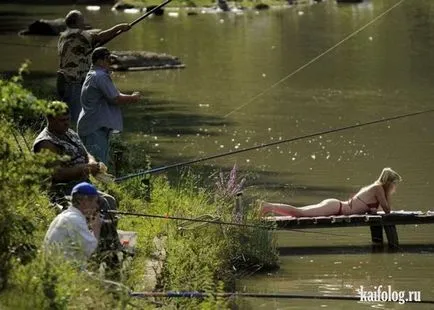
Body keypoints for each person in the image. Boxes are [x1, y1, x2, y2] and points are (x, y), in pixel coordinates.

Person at [33, 102, 121, 253]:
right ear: (51, 120)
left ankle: (107, 244)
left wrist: (92, 163)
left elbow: (85, 153)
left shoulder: (69, 133)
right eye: (62, 120)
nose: (67, 123)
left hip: (82, 186)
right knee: (103, 203)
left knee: (111, 200)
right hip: (62, 191)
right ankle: (102, 250)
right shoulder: (46, 143)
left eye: (68, 119)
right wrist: (84, 168)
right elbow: (57, 174)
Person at [57, 10, 131, 123]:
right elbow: (100, 37)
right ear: (77, 22)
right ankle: (76, 139)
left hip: (62, 80)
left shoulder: (63, 36)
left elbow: (93, 43)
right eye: (82, 19)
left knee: (65, 116)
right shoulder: (80, 34)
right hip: (74, 82)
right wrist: (120, 27)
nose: (84, 22)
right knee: (75, 119)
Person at [77, 46, 140, 164]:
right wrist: (133, 98)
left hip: (91, 126)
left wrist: (129, 97)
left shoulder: (94, 74)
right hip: (95, 129)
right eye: (107, 59)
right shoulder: (100, 76)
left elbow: (114, 94)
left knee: (91, 164)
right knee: (97, 167)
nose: (110, 62)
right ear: (99, 61)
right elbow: (115, 98)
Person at [261, 168, 402, 217]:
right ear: (388, 182)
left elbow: (370, 209)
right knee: (299, 213)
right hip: (336, 207)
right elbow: (387, 210)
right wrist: (388, 194)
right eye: (394, 183)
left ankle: (267, 207)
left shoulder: (376, 188)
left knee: (299, 212)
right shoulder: (378, 188)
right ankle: (268, 206)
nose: (395, 187)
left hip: (336, 206)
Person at [44, 182, 101, 263]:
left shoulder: (64, 216)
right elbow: (92, 251)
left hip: (54, 267)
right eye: (95, 202)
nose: (96, 206)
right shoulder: (75, 219)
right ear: (84, 201)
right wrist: (96, 228)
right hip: (63, 270)